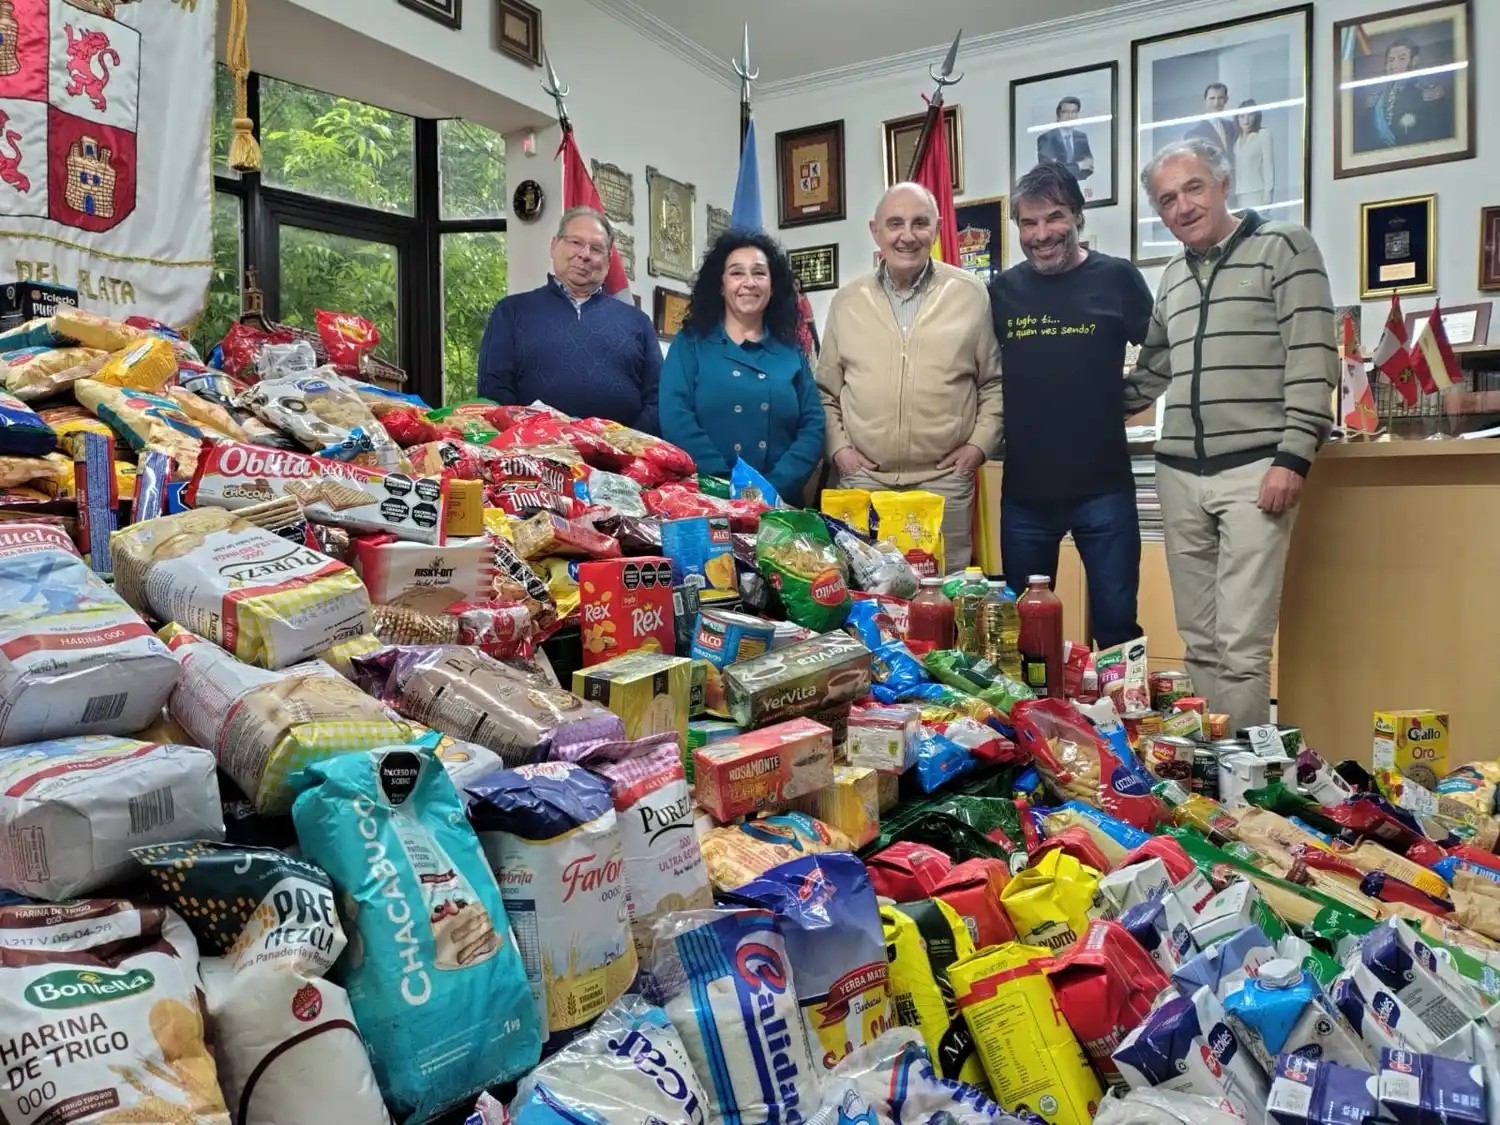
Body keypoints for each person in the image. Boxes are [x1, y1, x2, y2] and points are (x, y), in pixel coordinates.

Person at [1124, 137, 1337, 730]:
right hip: (1178, 476)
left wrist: (1293, 456)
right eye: (1167, 199)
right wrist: (1080, 406)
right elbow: (1151, 374)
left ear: (1223, 183)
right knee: (1199, 640)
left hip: (1256, 470)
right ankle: (1210, 773)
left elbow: (1313, 355)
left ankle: (1242, 786)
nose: (1182, 207)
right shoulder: (1171, 278)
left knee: (1242, 646)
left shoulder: (1284, 246)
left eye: (1193, 188)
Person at [989, 162, 1154, 647]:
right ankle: (1039, 721)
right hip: (1025, 495)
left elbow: (1165, 351)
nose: (1042, 234)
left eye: (1054, 218)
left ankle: (1118, 721)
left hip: (1105, 490)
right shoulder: (1002, 291)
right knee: (1025, 633)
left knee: (1117, 627)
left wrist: (1129, 397)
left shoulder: (1119, 278)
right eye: (1028, 223)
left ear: (1078, 216)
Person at [817, 182, 1003, 571]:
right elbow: (825, 392)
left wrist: (977, 448)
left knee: (942, 599)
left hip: (944, 483)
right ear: (875, 231)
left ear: (935, 229)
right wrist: (841, 452)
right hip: (864, 480)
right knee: (865, 594)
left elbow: (993, 383)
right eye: (895, 223)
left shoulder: (970, 294)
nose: (907, 235)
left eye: (920, 223)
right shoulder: (847, 301)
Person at [658, 231, 825, 502]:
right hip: (706, 499)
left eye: (759, 273)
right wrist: (724, 483)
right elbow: (675, 417)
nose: (749, 282)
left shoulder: (791, 353)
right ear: (721, 285)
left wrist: (775, 485)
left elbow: (813, 425)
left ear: (772, 286)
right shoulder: (690, 345)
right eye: (737, 273)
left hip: (780, 504)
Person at [477, 206, 660, 431]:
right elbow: (493, 390)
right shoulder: (512, 311)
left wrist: (631, 446)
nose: (584, 254)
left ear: (608, 260)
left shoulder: (638, 322)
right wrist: (531, 441)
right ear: (554, 245)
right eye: (575, 242)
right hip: (534, 456)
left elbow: (658, 397)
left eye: (596, 248)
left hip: (623, 459)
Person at [1353, 35, 1453, 152]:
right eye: (1390, 60)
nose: (1393, 66)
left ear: (1414, 61)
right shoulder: (1374, 101)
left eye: (1401, 59)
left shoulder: (1429, 96)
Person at [1036, 96, 1095, 182]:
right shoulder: (1046, 139)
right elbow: (1049, 172)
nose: (1070, 116)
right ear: (1058, 115)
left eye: (1074, 112)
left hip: (1078, 187)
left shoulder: (1081, 137)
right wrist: (1078, 166)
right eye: (1065, 112)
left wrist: (1063, 168)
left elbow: (1089, 168)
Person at [1233, 100, 1274, 208]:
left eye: (1250, 115)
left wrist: (1268, 193)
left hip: (1257, 192)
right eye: (1242, 116)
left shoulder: (1263, 135)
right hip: (1239, 194)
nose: (1246, 120)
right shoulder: (1237, 140)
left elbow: (1268, 165)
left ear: (1256, 116)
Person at [1185, 83, 1238, 166]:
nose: (1216, 103)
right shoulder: (1194, 134)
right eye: (1212, 98)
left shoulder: (1234, 127)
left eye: (1220, 98)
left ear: (1226, 100)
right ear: (1205, 100)